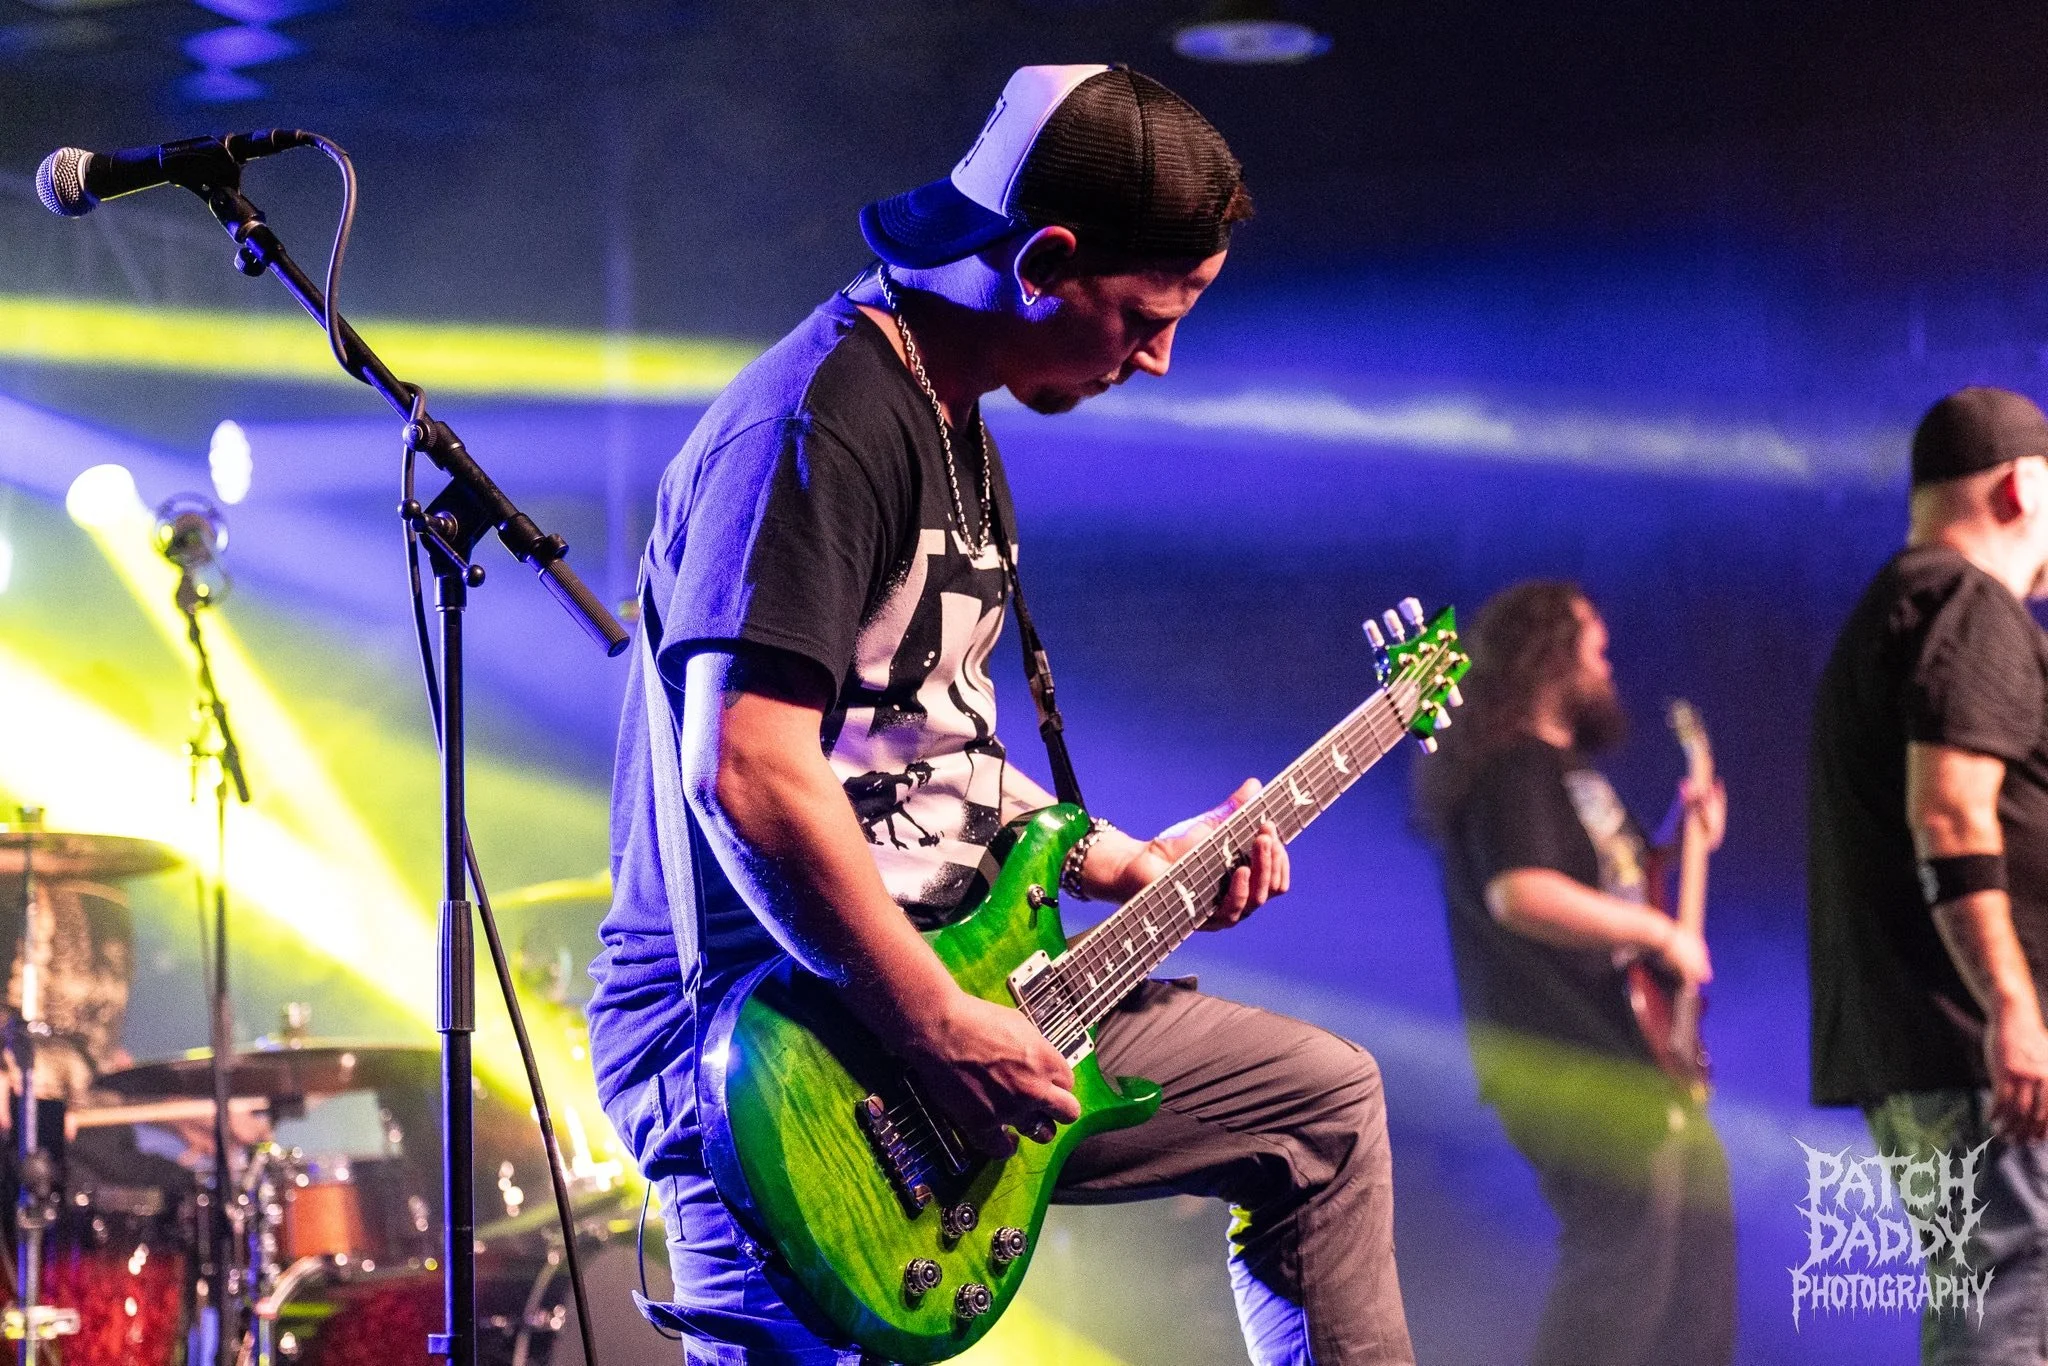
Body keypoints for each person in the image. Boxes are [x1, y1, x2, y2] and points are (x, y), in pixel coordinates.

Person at [587, 64, 1415, 1366]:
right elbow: (747, 770)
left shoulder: (956, 425)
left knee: (1321, 1105)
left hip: (956, 986)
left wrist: (1114, 857)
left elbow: (935, 749)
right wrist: (931, 1016)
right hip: (780, 1049)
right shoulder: (821, 422)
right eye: (1145, 314)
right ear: (1044, 259)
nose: (1160, 357)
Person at [1414, 580, 1735, 1366]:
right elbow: (1522, 892)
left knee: (1692, 1269)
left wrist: (1676, 840)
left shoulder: (1573, 775)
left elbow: (1612, 884)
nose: (1608, 664)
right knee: (1622, 1268)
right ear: (1548, 654)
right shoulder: (1514, 770)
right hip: (1568, 1052)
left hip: (1632, 1050)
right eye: (1595, 648)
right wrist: (1660, 929)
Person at [1810, 386, 2048, 1363]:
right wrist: (2010, 1007)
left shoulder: (1896, 607)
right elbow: (1946, 809)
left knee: (1986, 1291)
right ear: (2017, 486)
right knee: (2010, 1290)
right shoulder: (1964, 602)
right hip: (1971, 1046)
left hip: (1929, 1041)